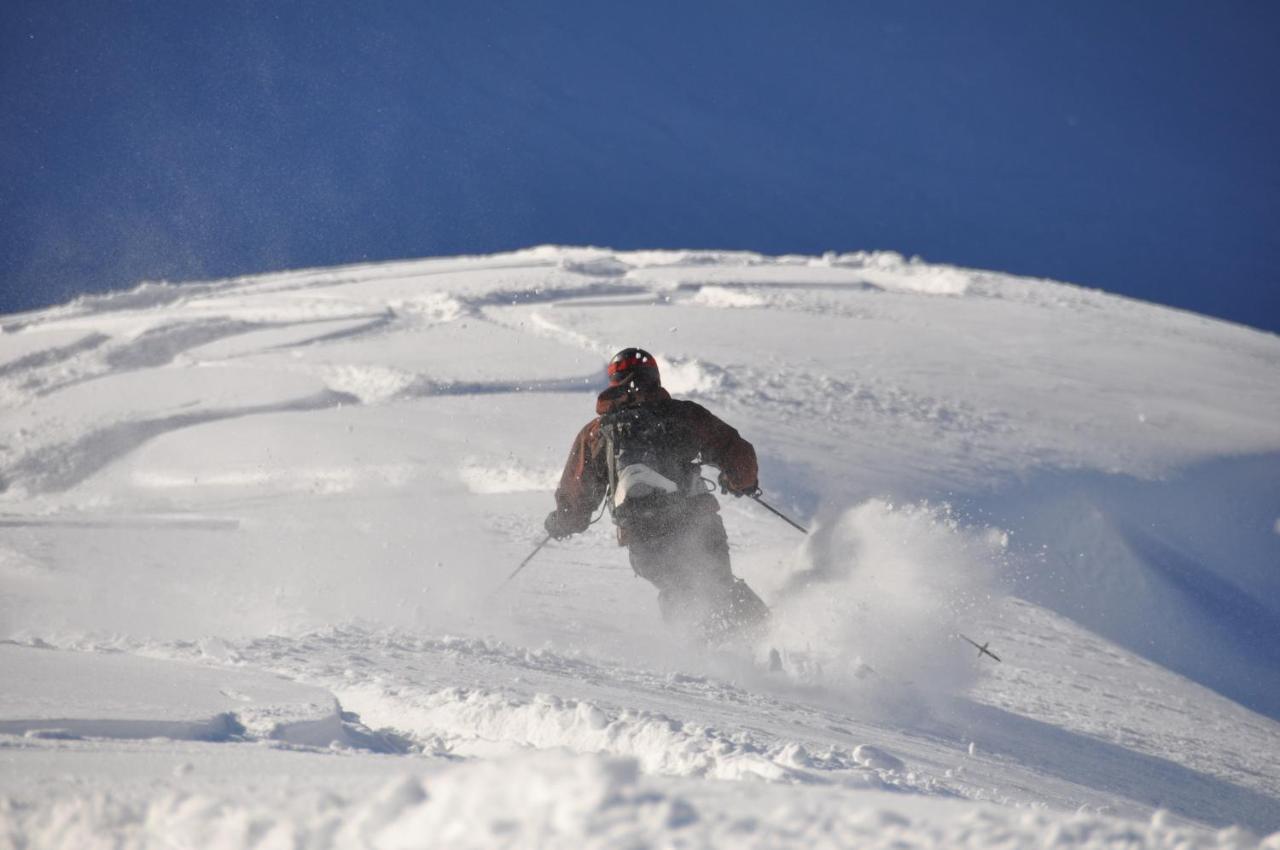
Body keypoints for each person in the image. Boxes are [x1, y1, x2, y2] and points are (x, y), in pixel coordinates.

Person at [544, 347, 771, 645]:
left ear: (613, 382)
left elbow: (577, 494)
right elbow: (736, 451)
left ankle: (700, 656)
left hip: (643, 537)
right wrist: (741, 481)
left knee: (678, 591)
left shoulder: (596, 433)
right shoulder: (685, 415)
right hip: (698, 524)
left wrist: (563, 522)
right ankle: (766, 640)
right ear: (655, 376)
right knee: (719, 586)